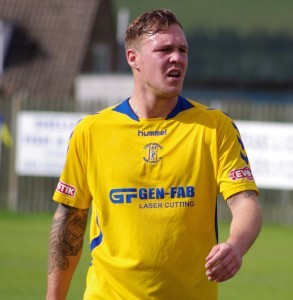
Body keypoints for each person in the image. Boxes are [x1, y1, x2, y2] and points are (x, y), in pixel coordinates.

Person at [46, 8, 262, 300]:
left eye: (182, 49)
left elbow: (246, 202)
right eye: (164, 49)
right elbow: (69, 222)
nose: (177, 58)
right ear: (133, 58)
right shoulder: (91, 131)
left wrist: (236, 245)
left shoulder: (214, 127)